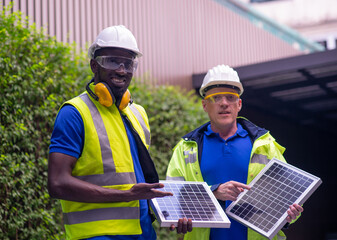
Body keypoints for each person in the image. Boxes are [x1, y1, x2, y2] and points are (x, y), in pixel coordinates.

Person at [48, 25, 192, 240]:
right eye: (113, 61)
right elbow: (57, 183)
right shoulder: (74, 113)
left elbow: (139, 180)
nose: (122, 70)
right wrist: (125, 196)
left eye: (128, 63)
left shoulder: (138, 113)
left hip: (144, 233)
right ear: (94, 66)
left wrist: (173, 212)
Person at [166, 65, 303, 240]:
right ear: (204, 105)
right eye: (216, 98)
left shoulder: (265, 145)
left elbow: (288, 197)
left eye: (230, 98)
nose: (224, 103)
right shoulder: (185, 149)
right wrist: (214, 192)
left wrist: (290, 216)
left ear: (239, 104)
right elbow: (173, 200)